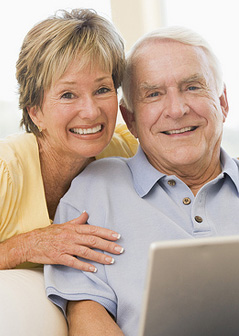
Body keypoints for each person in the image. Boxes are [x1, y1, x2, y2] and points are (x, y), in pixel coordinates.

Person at [45, 26, 239, 335]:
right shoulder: (95, 191)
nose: (177, 110)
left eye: (192, 87)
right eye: (154, 94)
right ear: (130, 119)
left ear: (223, 102)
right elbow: (86, 313)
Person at [0, 8, 138, 270]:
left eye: (102, 89)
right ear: (35, 112)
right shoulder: (5, 171)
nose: (90, 111)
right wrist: (25, 245)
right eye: (67, 95)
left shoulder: (128, 152)